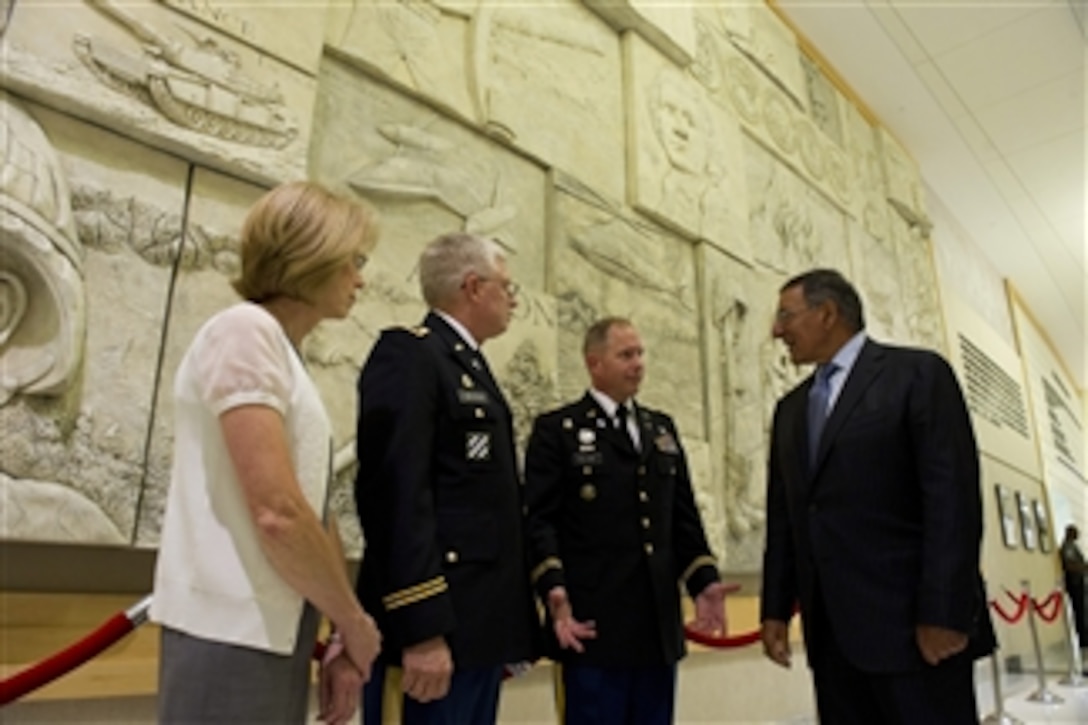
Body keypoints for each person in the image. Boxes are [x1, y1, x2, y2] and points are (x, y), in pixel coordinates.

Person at [150, 181, 383, 724]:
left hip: (272, 626)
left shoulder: (281, 350)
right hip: (229, 628)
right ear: (313, 254)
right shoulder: (245, 331)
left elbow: (310, 505)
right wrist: (351, 621)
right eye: (354, 260)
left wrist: (337, 623)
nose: (360, 278)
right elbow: (277, 511)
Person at [760, 268, 996, 723]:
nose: (777, 330)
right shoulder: (791, 411)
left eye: (786, 315)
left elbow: (953, 503)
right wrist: (775, 609)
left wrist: (945, 613)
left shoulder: (918, 375)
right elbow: (786, 517)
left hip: (916, 634)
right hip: (832, 643)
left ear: (827, 313)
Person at [354, 232, 538, 724]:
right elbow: (395, 495)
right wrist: (422, 627)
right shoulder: (411, 355)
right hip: (435, 632)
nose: (513, 299)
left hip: (475, 629)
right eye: (507, 286)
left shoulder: (468, 365)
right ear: (474, 287)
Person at [524, 316, 733, 725]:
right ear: (594, 363)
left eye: (640, 353)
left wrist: (704, 581)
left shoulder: (660, 429)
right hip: (594, 628)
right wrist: (553, 589)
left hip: (656, 629)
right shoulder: (559, 431)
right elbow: (539, 521)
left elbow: (683, 518)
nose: (637, 363)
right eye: (625, 355)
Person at [1060, 524, 1087, 648]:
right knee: (1079, 610)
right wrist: (1084, 567)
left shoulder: (1073, 546)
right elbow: (1070, 565)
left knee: (1083, 609)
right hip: (1075, 582)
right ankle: (1083, 637)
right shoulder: (1068, 547)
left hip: (1079, 580)